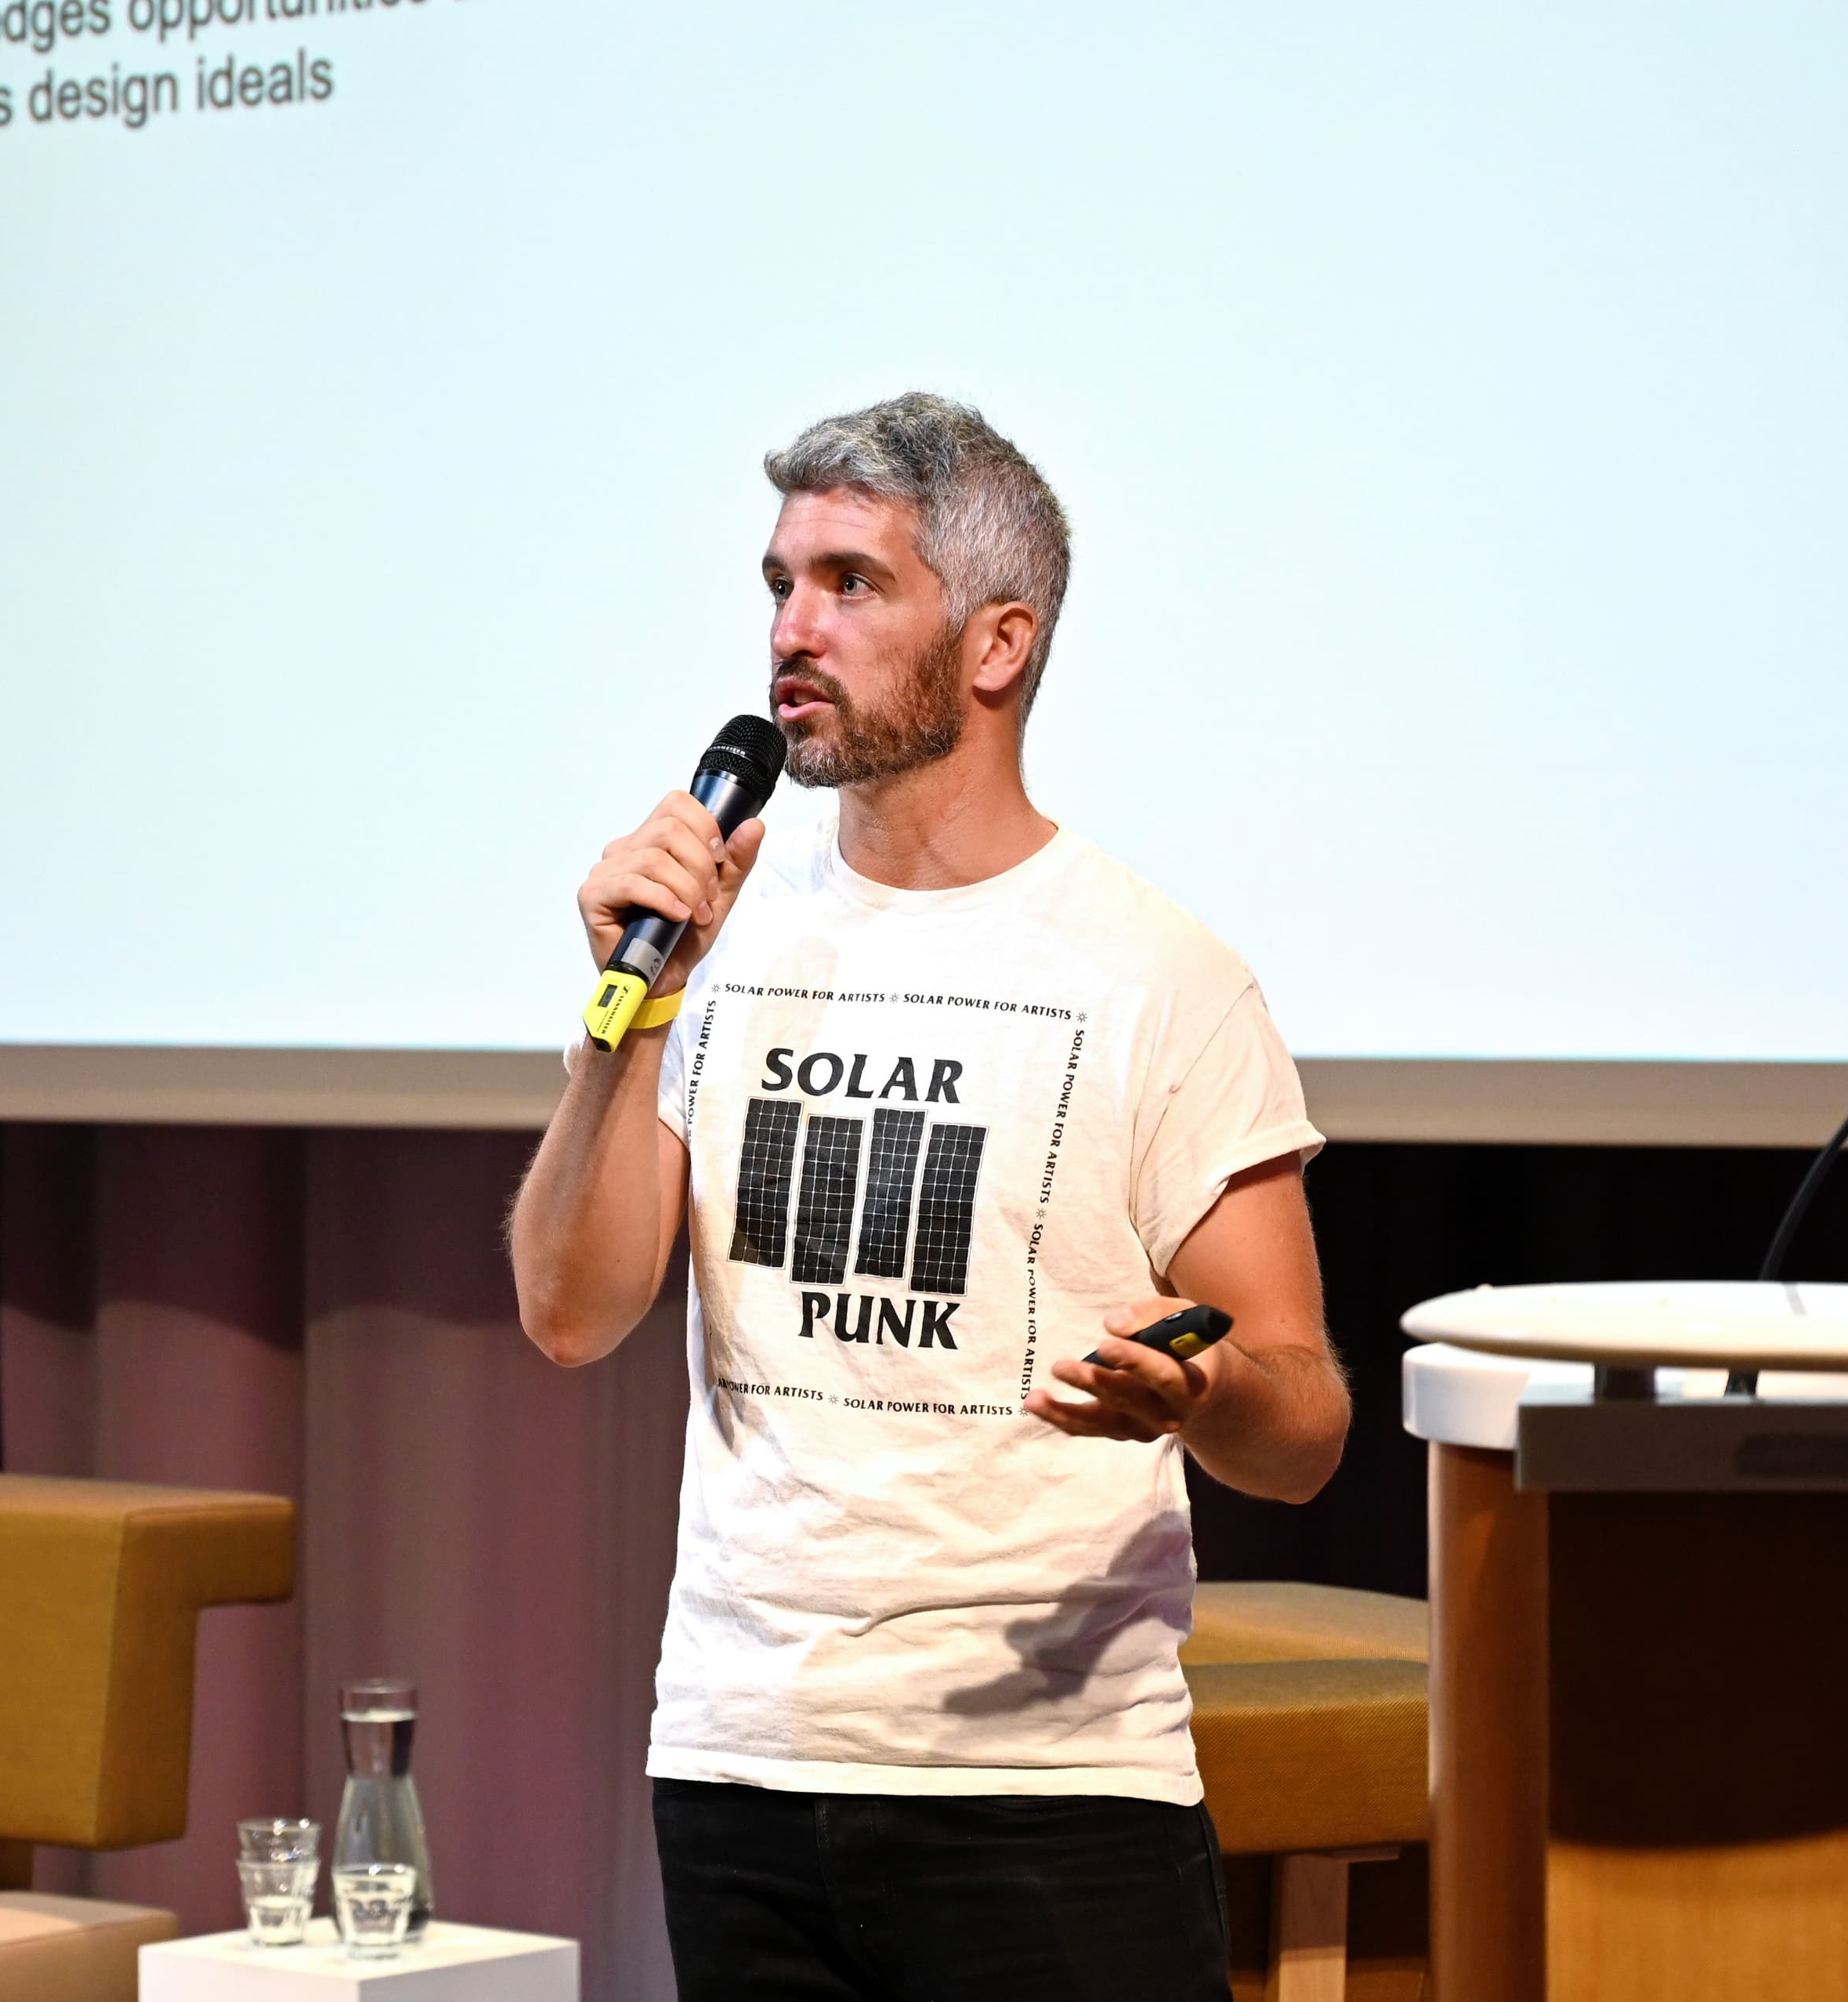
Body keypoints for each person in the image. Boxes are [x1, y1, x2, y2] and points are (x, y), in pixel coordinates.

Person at [509, 393, 1351, 2002]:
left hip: (1046, 1795)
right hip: (742, 1757)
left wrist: (1204, 1385)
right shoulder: (717, 935)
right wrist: (638, 1014)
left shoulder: (1160, 976)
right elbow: (569, 1310)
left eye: (851, 584)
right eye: (779, 585)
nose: (792, 633)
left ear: (997, 645)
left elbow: (1303, 1420)